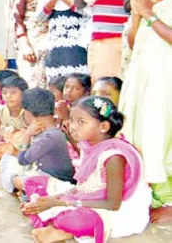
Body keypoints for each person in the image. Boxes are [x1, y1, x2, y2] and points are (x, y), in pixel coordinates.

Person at [22, 96, 151, 243]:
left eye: (80, 122)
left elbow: (112, 204)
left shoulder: (114, 157)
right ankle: (55, 225)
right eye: (71, 120)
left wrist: (60, 203)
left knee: (75, 220)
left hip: (119, 211)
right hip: (88, 196)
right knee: (33, 182)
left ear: (103, 127)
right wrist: (55, 198)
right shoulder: (89, 145)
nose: (72, 126)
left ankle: (59, 228)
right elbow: (83, 187)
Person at [121, 0, 172, 223]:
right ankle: (151, 195)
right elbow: (132, 42)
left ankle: (169, 201)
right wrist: (138, 12)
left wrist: (149, 13)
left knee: (162, 136)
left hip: (165, 80)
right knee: (142, 134)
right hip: (143, 77)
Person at [0, 88, 75, 195]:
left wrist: (27, 135)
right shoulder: (50, 132)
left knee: (13, 175)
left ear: (28, 113)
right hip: (45, 176)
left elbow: (23, 160)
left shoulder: (49, 137)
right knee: (9, 160)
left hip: (56, 183)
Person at [13, 0, 51, 88]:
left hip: (53, 36)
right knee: (31, 80)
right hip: (32, 37)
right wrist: (23, 42)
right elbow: (17, 17)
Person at [0, 76, 29, 158]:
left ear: (24, 94)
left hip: (21, 146)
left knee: (20, 135)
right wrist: (1, 143)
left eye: (13, 92)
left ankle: (19, 155)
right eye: (5, 93)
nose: (8, 96)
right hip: (4, 145)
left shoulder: (27, 111)